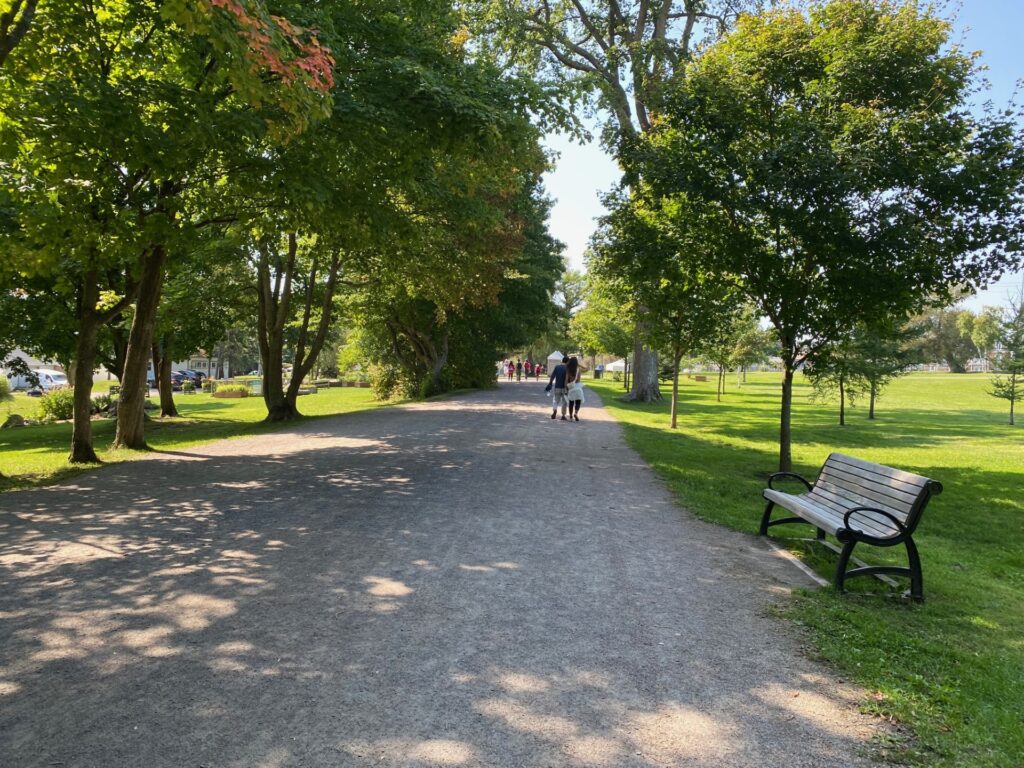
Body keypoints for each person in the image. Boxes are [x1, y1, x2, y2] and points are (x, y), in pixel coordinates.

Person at [545, 355, 570, 420]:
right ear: (567, 362)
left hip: (557, 387)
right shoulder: (567, 368)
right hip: (565, 387)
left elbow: (552, 376)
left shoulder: (557, 367)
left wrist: (550, 383)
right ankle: (563, 415)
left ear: (562, 361)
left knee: (555, 400)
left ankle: (555, 410)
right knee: (564, 402)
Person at [565, 356, 584, 421]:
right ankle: (575, 413)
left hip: (571, 388)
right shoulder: (578, 369)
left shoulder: (568, 369)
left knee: (571, 402)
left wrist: (566, 387)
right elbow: (579, 380)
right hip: (578, 387)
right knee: (578, 402)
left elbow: (566, 380)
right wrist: (579, 364)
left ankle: (570, 417)